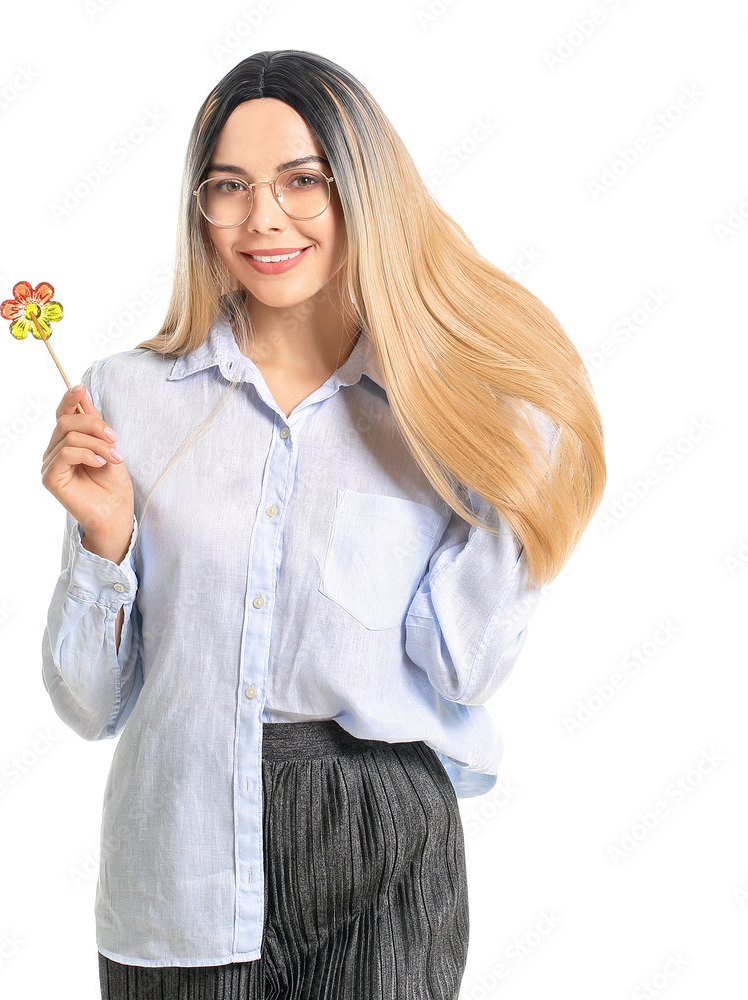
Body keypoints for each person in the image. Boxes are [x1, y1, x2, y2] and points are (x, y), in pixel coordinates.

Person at [40, 49, 605, 1000]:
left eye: (303, 180)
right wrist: (107, 542)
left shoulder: (436, 414)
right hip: (177, 855)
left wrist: (519, 488)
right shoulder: (124, 399)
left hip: (380, 836)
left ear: (364, 192)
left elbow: (462, 669)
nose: (264, 218)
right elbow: (90, 703)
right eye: (229, 187)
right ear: (199, 208)